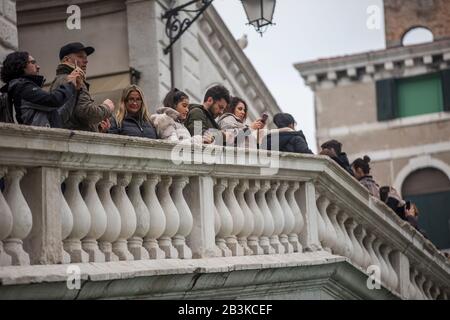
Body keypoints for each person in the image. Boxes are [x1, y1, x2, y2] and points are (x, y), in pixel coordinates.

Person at [0, 51, 81, 127]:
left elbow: (61, 117)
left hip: (44, 138)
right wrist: (69, 84)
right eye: (32, 62)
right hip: (38, 139)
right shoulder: (22, 88)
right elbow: (53, 100)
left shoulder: (24, 87)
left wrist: (74, 90)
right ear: (20, 65)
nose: (38, 67)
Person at [49, 42, 114, 131]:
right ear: (66, 60)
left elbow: (74, 116)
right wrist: (107, 107)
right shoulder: (73, 79)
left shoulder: (61, 79)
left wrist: (97, 128)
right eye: (80, 56)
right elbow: (85, 112)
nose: (86, 61)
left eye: (86, 57)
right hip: (74, 140)